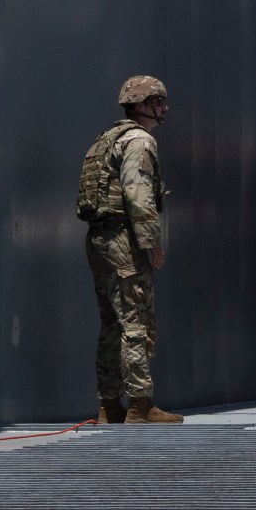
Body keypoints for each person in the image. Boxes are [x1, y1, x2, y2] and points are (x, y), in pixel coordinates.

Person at [76, 75, 180, 424]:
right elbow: (138, 194)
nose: (165, 107)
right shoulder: (139, 141)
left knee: (111, 323)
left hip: (99, 239)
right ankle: (140, 405)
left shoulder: (108, 139)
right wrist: (152, 243)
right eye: (158, 101)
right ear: (141, 105)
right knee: (136, 321)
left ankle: (109, 405)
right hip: (124, 240)